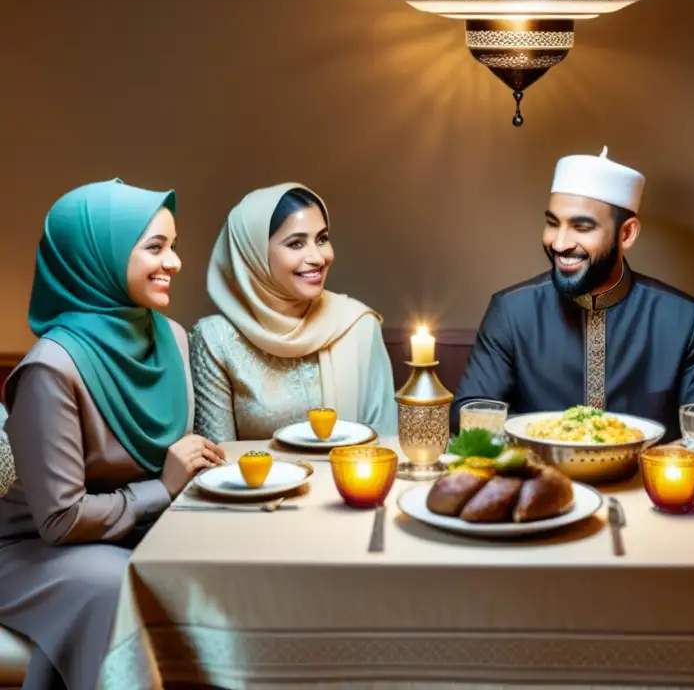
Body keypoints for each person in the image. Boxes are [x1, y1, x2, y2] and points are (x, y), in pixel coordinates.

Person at [0, 179, 225, 690]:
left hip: (135, 529)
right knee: (116, 587)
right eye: (155, 248)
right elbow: (59, 519)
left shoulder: (171, 336)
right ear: (95, 256)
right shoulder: (51, 370)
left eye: (174, 246)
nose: (174, 262)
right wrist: (163, 488)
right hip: (34, 549)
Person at [453, 147, 694, 439]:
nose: (560, 243)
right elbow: (468, 415)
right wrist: (555, 435)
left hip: (644, 483)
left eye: (582, 227)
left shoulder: (683, 318)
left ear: (626, 234)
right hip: (541, 479)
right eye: (552, 223)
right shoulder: (511, 311)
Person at [190, 183, 397, 442]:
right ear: (253, 254)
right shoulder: (215, 339)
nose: (318, 258)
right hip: (256, 483)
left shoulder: (357, 324)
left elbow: (386, 442)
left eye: (321, 239)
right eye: (296, 243)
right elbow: (218, 461)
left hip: (349, 482)